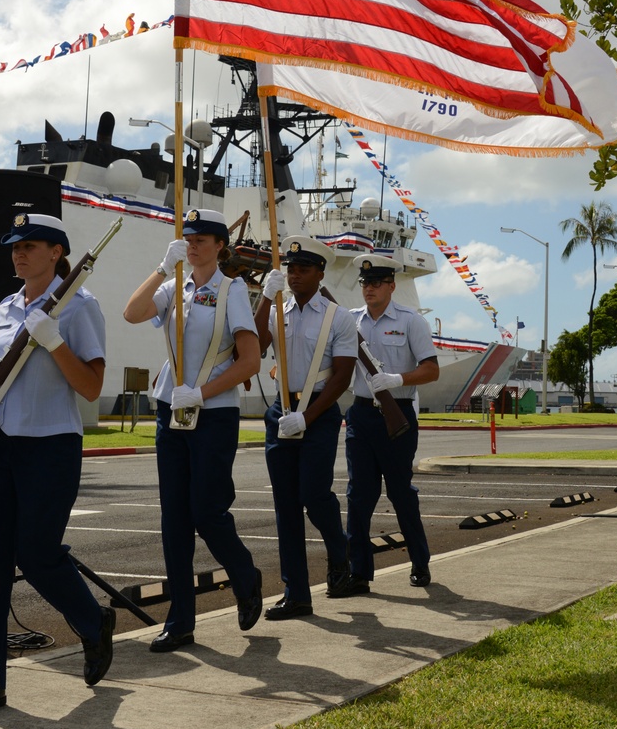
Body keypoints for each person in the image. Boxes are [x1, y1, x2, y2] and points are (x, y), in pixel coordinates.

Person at [0, 213, 115, 717]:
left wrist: (55, 341)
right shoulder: (5, 306)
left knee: (37, 553)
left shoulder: (79, 307)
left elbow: (91, 387)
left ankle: (91, 619)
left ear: (57, 252)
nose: (19, 253)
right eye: (14, 245)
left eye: (30, 245)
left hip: (50, 445)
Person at [124, 208, 262, 651]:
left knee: (207, 511)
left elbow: (250, 361)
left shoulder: (233, 290)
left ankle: (245, 574)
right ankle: (181, 618)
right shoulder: (174, 287)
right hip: (171, 409)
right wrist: (163, 267)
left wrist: (202, 393)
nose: (194, 243)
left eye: (203, 237)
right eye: (188, 237)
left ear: (221, 244)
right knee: (174, 520)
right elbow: (132, 313)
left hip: (214, 412)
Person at [254, 237, 357, 617]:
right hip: (282, 409)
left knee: (314, 495)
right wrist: (266, 296)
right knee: (285, 506)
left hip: (318, 411)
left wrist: (308, 417)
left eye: (303, 269)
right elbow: (254, 344)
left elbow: (342, 377)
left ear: (320, 273)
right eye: (290, 268)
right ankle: (296, 593)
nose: (294, 275)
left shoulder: (338, 317)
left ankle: (339, 553)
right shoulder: (276, 308)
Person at [331, 254, 440, 598]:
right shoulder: (349, 320)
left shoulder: (411, 322)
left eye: (377, 283)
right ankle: (359, 572)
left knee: (400, 493)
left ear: (392, 286)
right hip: (361, 416)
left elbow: (431, 369)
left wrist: (397, 378)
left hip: (399, 413)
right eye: (364, 283)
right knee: (358, 496)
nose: (369, 289)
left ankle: (420, 562)